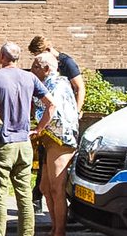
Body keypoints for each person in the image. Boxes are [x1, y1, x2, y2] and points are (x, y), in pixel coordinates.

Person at [0, 42, 53, 236]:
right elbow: (51, 105)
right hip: (24, 144)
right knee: (24, 197)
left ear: (1, 56)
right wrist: (38, 129)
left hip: (2, 144)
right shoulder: (30, 78)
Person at [27, 36, 84, 208]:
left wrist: (76, 111)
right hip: (49, 127)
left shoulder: (66, 63)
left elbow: (79, 87)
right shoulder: (44, 73)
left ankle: (64, 212)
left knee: (57, 180)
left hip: (62, 126)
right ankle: (39, 197)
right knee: (46, 176)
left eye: (38, 57)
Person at [29, 52, 79, 236]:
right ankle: (54, 228)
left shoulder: (57, 84)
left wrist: (38, 129)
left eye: (35, 67)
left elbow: (52, 108)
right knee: (44, 187)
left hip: (61, 139)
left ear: (46, 69)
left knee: (56, 188)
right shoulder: (48, 83)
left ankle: (60, 235)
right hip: (50, 139)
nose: (32, 70)